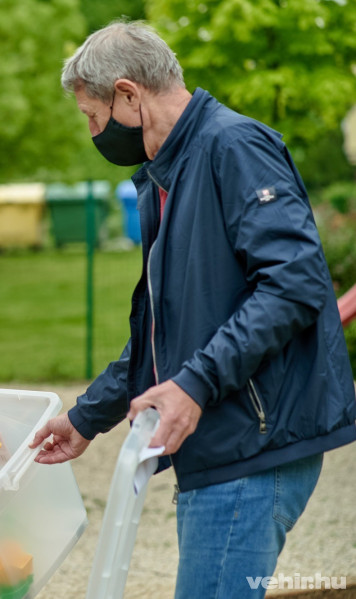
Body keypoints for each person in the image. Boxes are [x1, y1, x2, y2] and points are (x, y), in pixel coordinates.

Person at [29, 21, 356, 598]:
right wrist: (87, 418)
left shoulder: (232, 146)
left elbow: (296, 283)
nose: (92, 132)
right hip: (226, 444)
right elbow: (165, 330)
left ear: (128, 95)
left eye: (92, 116)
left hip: (251, 447)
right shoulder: (172, 172)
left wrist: (195, 385)